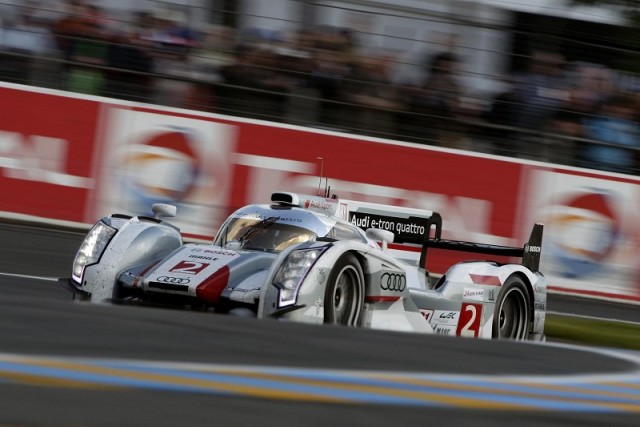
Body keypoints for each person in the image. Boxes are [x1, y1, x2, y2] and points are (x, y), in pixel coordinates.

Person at [580, 93, 640, 175]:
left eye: (628, 108)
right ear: (612, 107)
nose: (625, 111)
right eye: (621, 107)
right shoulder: (597, 122)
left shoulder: (635, 127)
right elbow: (584, 133)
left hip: (622, 171)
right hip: (592, 167)